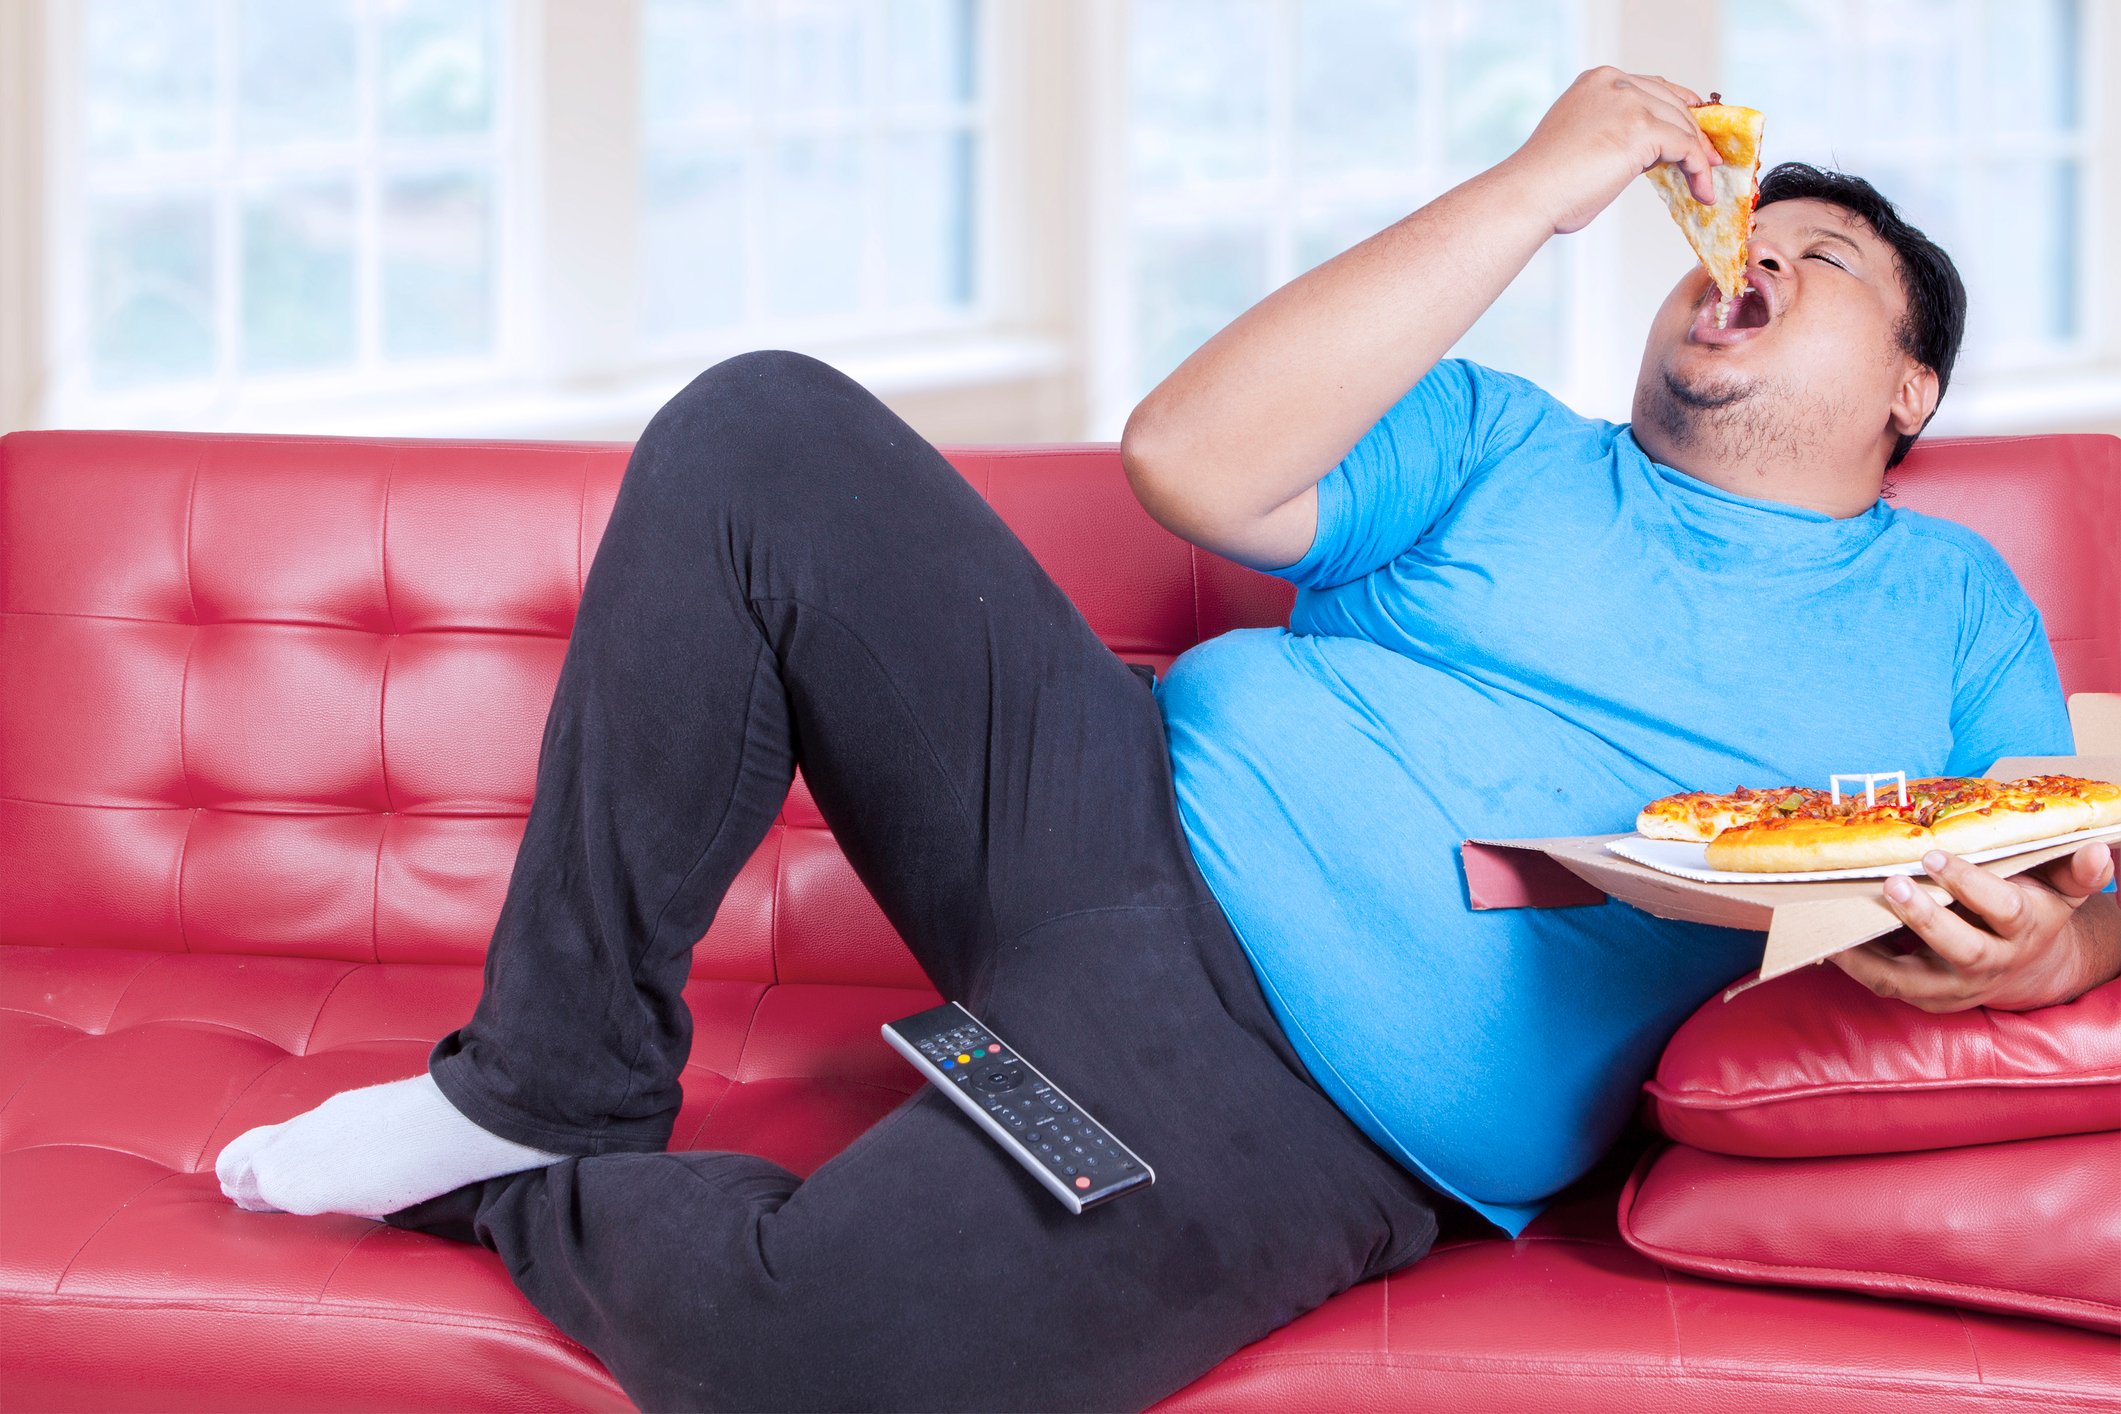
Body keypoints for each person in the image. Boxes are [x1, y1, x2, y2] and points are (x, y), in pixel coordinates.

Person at [215, 68, 2120, 1411]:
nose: (1753, 259)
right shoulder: (1497, 440)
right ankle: (543, 1086)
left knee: (805, 1363)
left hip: (1304, 1103)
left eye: (1823, 263)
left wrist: (2056, 945)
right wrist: (1536, 193)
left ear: (1910, 384)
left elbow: (2058, 880)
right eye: (1739, 230)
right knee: (760, 428)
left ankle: (511, 1196)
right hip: (1089, 812)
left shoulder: (1951, 607)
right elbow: (1188, 464)